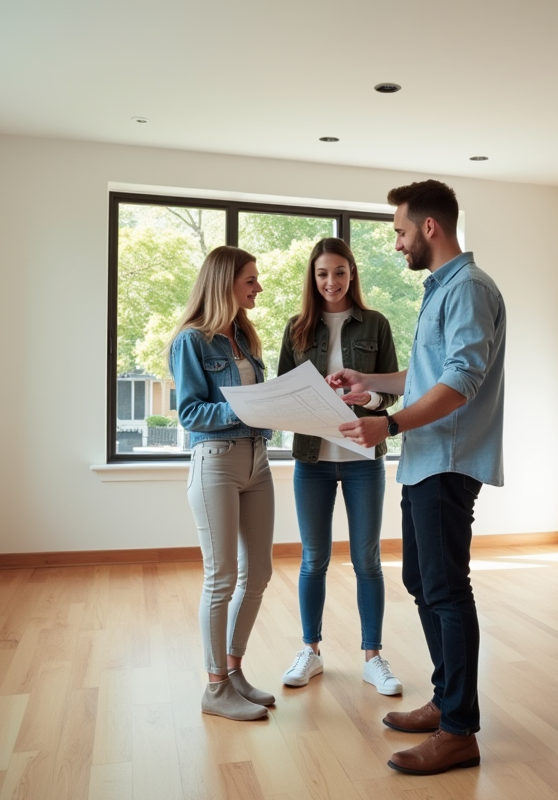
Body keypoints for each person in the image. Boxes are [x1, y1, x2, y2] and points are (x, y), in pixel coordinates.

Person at [330, 180, 506, 775]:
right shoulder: (444, 291)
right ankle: (445, 701)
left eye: (401, 231)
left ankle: (459, 730)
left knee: (447, 589)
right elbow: (429, 372)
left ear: (430, 228)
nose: (397, 243)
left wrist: (390, 424)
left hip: (448, 462)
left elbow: (461, 380)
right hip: (426, 462)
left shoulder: (471, 290)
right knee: (423, 582)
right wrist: (370, 382)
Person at [276, 238, 403, 696]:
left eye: (340, 273)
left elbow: (389, 393)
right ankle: (310, 651)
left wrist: (363, 397)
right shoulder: (296, 328)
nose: (331, 282)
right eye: (323, 274)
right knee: (314, 560)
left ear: (352, 275)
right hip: (312, 460)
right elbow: (284, 394)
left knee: (368, 560)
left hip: (363, 461)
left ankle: (373, 657)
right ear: (313, 277)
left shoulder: (376, 323)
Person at [168, 245, 277, 721]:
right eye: (250, 279)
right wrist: (248, 405)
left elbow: (257, 404)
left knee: (260, 573)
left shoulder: (245, 338)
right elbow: (191, 413)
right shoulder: (191, 342)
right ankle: (214, 688)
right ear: (224, 283)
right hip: (215, 461)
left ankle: (233, 673)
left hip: (258, 461)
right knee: (222, 577)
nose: (258, 287)